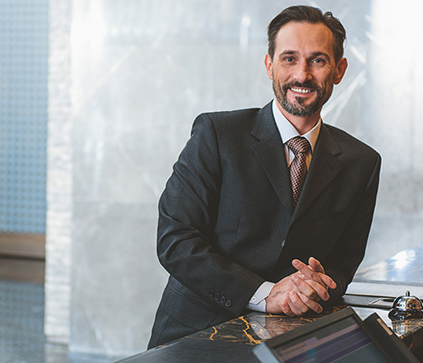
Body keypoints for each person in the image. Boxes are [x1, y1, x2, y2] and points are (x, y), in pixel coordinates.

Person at [148, 5, 381, 348]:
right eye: (289, 58)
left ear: (339, 69)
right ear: (269, 64)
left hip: (294, 343)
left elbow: (343, 264)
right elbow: (175, 241)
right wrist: (266, 294)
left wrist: (316, 286)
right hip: (196, 335)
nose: (301, 74)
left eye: (317, 60)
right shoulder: (217, 134)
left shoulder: (363, 162)